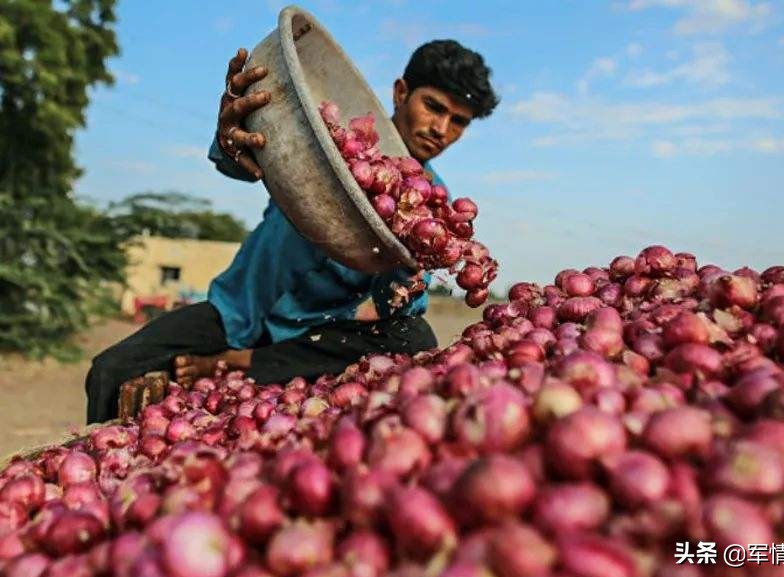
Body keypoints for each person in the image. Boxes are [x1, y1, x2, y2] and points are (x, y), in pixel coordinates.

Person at [85, 39, 499, 423]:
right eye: (433, 107)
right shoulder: (331, 140)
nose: (441, 129)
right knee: (111, 369)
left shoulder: (434, 207)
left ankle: (241, 362)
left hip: (318, 332)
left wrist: (409, 267)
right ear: (400, 92)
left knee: (415, 336)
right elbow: (250, 156)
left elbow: (399, 308)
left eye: (458, 122)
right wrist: (232, 137)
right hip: (238, 312)